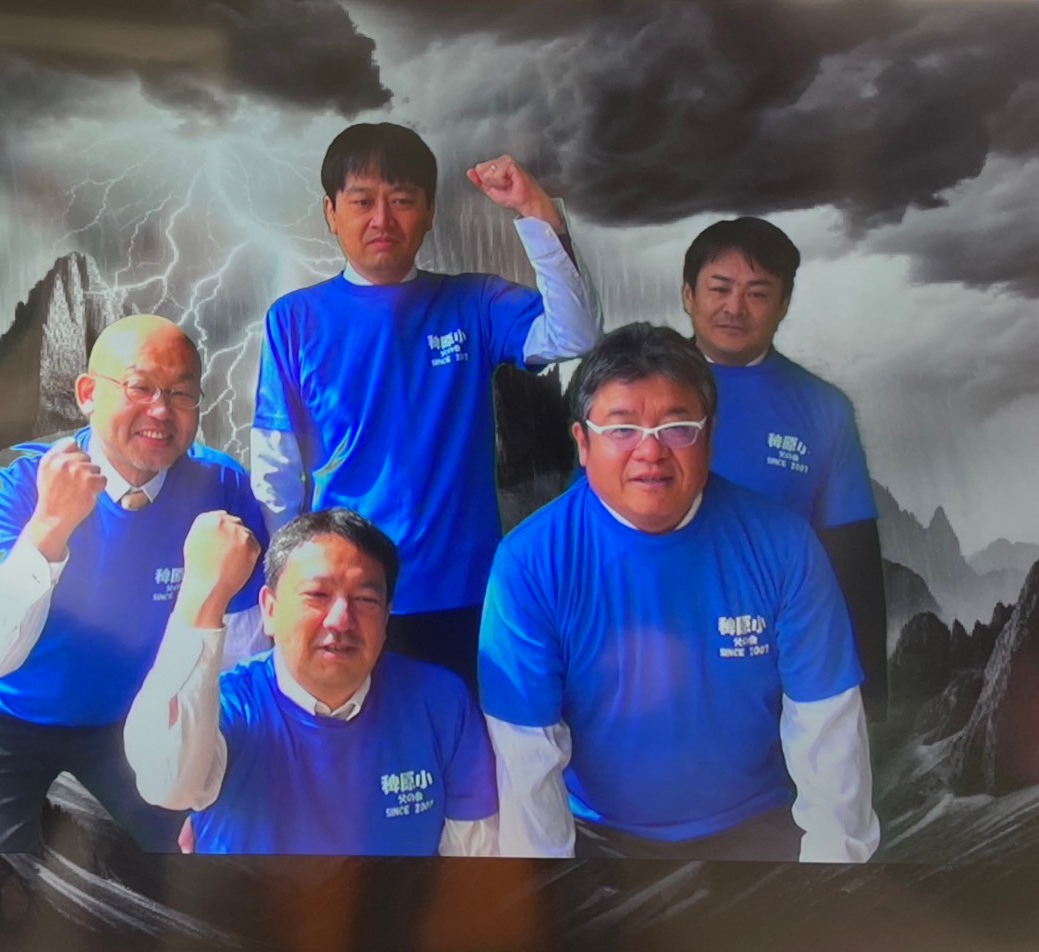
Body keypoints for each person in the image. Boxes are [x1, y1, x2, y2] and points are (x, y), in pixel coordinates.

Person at [479, 323, 879, 862]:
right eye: (622, 429)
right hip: (597, 838)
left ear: (710, 435)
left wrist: (834, 885)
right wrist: (548, 895)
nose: (650, 451)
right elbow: (527, 761)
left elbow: (827, 730)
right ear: (582, 442)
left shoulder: (784, 547)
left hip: (757, 826)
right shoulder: (530, 564)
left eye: (677, 427)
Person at [251, 122, 598, 688]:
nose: (382, 219)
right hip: (347, 598)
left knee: (468, 739)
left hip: (465, 590)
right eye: (362, 202)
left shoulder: (474, 302)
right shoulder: (294, 320)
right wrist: (292, 583)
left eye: (402, 200)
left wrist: (535, 211)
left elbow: (575, 333)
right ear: (331, 213)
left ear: (430, 212)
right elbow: (276, 468)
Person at [0, 313, 269, 852]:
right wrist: (49, 526)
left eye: (181, 394)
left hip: (131, 719)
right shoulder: (19, 476)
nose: (161, 411)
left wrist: (210, 775)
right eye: (140, 388)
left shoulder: (220, 485)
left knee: (206, 856)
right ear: (88, 393)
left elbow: (245, 647)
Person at [124, 508, 497, 855]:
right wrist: (204, 592)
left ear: (386, 619)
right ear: (270, 610)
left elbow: (475, 861)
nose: (341, 619)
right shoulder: (230, 707)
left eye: (365, 599)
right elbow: (166, 783)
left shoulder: (440, 704)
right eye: (317, 595)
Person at [680, 217, 888, 719]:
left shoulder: (823, 408)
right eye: (719, 289)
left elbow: (852, 557)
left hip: (779, 659)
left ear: (784, 304)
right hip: (656, 644)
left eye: (757, 293)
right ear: (688, 295)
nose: (735, 308)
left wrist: (868, 695)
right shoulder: (635, 392)